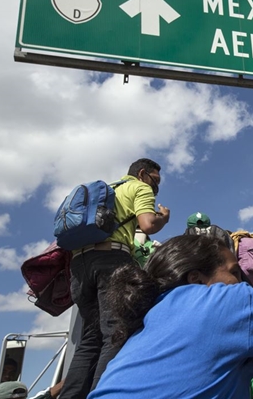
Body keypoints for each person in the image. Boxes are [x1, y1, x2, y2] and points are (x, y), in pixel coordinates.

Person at [88, 235, 253, 398]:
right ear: (196, 278)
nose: (244, 284)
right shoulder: (226, 301)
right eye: (235, 273)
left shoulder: (148, 319)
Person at [60, 158, 170, 399]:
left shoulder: (109, 189)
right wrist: (164, 217)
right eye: (155, 181)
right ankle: (103, 394)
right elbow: (147, 225)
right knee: (115, 332)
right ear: (142, 174)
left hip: (79, 265)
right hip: (110, 260)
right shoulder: (138, 187)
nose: (155, 188)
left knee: (91, 338)